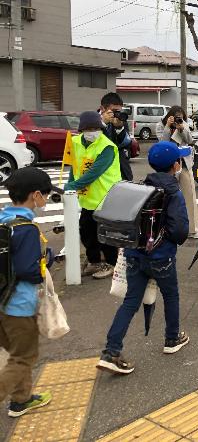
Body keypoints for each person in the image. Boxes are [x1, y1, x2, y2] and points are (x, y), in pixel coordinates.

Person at [97, 141, 190, 375]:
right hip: (161, 257)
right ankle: (172, 339)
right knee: (171, 295)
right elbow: (180, 232)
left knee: (131, 301)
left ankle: (111, 351)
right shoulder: (173, 193)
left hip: (134, 254)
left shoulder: (140, 187)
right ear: (175, 165)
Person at [0, 168, 60, 417]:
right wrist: (46, 260)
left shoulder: (4, 221)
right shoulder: (27, 228)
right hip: (18, 306)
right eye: (45, 195)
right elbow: (29, 271)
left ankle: (21, 399)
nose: (46, 200)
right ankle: (17, 397)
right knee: (24, 356)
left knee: (17, 354)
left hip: (1, 301)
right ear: (35, 195)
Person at [65, 111, 121, 280]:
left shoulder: (107, 146)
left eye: (96, 128)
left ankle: (111, 263)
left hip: (107, 195)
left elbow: (95, 172)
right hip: (88, 197)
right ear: (81, 130)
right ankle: (94, 261)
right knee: (86, 230)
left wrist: (73, 186)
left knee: (105, 233)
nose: (92, 132)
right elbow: (73, 167)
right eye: (88, 128)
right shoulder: (74, 142)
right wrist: (70, 184)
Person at [157, 106, 198, 238]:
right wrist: (168, 127)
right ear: (169, 116)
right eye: (175, 117)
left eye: (180, 117)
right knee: (166, 196)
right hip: (167, 165)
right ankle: (164, 228)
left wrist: (181, 129)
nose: (178, 119)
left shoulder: (184, 124)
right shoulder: (161, 124)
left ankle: (192, 229)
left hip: (184, 164)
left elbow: (190, 140)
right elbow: (162, 143)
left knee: (189, 195)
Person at [99, 92, 133, 182]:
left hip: (121, 170)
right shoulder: (93, 120)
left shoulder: (121, 120)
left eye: (119, 111)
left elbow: (126, 144)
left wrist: (119, 128)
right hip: (101, 171)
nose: (117, 114)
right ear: (102, 109)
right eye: (114, 111)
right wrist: (103, 124)